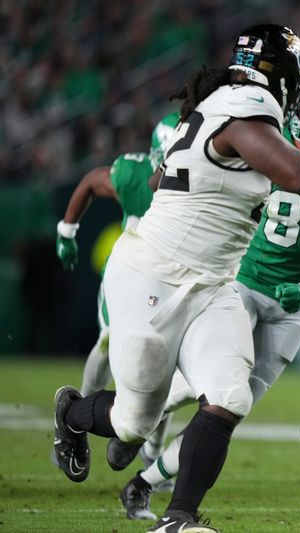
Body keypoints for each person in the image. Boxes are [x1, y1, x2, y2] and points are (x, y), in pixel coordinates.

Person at [51, 24, 300, 533]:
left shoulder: (235, 101)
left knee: (230, 397)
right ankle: (73, 414)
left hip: (214, 282)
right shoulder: (244, 104)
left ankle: (179, 518)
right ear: (281, 73)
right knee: (132, 421)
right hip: (157, 275)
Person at [55, 112, 180, 399]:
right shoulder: (134, 176)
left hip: (173, 278)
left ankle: (154, 446)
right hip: (130, 274)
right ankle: (75, 415)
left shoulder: (204, 184)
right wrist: (67, 230)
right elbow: (91, 182)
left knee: (167, 360)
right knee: (109, 341)